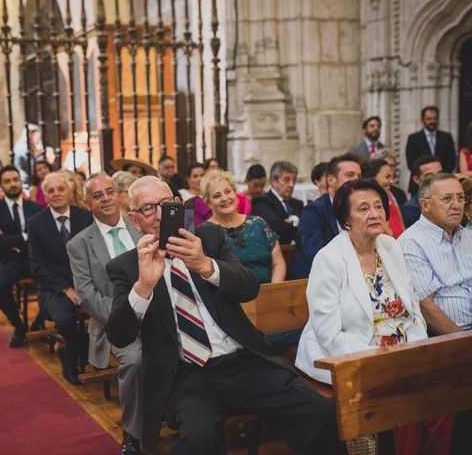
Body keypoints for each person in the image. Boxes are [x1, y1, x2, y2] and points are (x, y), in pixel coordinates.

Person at [105, 175, 344, 455]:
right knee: (198, 440)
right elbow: (119, 336)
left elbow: (249, 287)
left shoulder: (208, 238)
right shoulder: (125, 266)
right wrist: (144, 286)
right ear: (135, 220)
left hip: (243, 361)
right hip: (186, 374)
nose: (159, 215)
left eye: (166, 205)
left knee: (321, 413)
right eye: (148, 208)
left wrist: (205, 265)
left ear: (178, 205)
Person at [295, 179, 453, 455]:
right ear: (345, 219)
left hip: (402, 350)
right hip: (355, 355)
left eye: (379, 207)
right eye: (364, 208)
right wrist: (383, 359)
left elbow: (412, 310)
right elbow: (329, 335)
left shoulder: (390, 246)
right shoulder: (329, 259)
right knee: (404, 401)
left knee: (443, 397)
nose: (375, 214)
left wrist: (412, 351)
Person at [67, 173, 143, 455]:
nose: (106, 199)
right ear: (88, 204)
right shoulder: (80, 244)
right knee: (136, 359)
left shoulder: (141, 228)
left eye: (110, 192)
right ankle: (132, 433)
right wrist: (126, 317)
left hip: (156, 314)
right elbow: (87, 295)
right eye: (97, 195)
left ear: (119, 194)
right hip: (114, 324)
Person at [27, 172, 93, 385]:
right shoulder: (36, 223)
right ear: (45, 195)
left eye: (61, 189)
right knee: (64, 320)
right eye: (51, 190)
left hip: (87, 281)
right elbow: (37, 267)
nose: (56, 194)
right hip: (54, 287)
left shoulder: (85, 217)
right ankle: (75, 355)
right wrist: (66, 289)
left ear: (70, 191)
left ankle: (79, 351)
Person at [399, 173, 472, 334]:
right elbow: (426, 307)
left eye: (460, 198)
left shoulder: (468, 236)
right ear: (425, 205)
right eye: (447, 199)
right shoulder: (411, 243)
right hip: (449, 339)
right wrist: (465, 343)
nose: (456, 205)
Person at [0, 166, 42, 348]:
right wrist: (24, 236)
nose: (13, 184)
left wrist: (9, 239)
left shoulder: (34, 208)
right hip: (5, 259)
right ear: (1, 186)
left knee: (56, 278)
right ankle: (18, 325)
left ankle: (40, 321)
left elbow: (40, 237)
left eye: (16, 180)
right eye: (8, 181)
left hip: (31, 258)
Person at [202, 170, 286, 283]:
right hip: (230, 298)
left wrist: (272, 290)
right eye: (217, 196)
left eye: (228, 191)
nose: (225, 198)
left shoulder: (258, 223)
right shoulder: (206, 232)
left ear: (235, 193)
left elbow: (278, 263)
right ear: (208, 203)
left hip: (269, 293)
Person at [288, 153, 361, 279]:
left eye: (359, 176)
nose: (357, 180)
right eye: (350, 175)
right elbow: (316, 256)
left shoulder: (359, 209)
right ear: (331, 180)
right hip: (312, 281)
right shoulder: (313, 212)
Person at [405, 106, 456, 194]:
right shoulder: (413, 138)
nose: (432, 121)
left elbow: (451, 160)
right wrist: (426, 176)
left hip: (442, 184)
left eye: (435, 118)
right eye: (429, 119)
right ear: (422, 120)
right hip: (419, 186)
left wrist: (440, 177)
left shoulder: (446, 137)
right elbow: (411, 162)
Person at [251, 161, 304, 245]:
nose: (291, 185)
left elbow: (308, 228)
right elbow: (277, 230)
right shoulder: (262, 202)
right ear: (274, 181)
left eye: (294, 180)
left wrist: (290, 222)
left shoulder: (297, 204)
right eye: (287, 180)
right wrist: (297, 221)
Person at [361, 158, 405, 238]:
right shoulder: (360, 208)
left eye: (392, 177)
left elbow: (403, 229)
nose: (391, 181)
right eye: (387, 177)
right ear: (371, 179)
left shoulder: (391, 199)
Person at [401, 155, 442, 228]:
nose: (437, 178)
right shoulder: (410, 208)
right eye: (429, 176)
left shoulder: (454, 199)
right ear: (416, 179)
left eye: (440, 173)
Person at [178, 162, 212, 227]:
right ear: (188, 179)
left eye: (202, 175)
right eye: (195, 176)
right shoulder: (181, 194)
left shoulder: (211, 195)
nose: (200, 179)